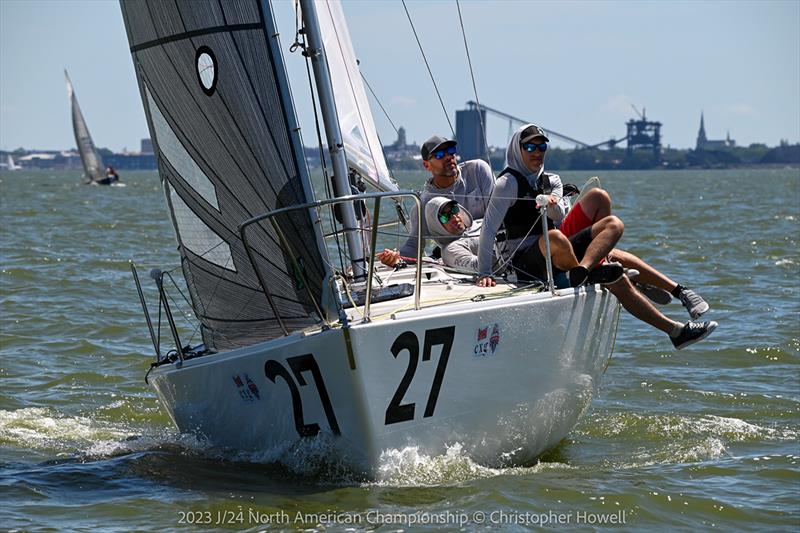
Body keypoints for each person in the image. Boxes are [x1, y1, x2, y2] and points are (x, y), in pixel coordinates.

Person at [475, 124, 717, 349]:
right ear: (518, 150)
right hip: (525, 261)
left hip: (559, 251)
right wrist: (484, 273)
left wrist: (551, 205)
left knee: (606, 209)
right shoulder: (507, 183)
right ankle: (673, 327)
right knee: (585, 254)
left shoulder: (552, 180)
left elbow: (559, 215)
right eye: (530, 147)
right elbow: (487, 229)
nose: (537, 152)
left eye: (542, 147)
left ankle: (678, 299)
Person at [377, 136, 494, 267]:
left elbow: (498, 214)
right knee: (448, 251)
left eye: (451, 150)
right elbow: (414, 245)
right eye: (439, 155)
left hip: (491, 238)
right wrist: (396, 258)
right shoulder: (424, 204)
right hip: (458, 252)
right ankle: (487, 266)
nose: (448, 157)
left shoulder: (478, 170)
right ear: (426, 165)